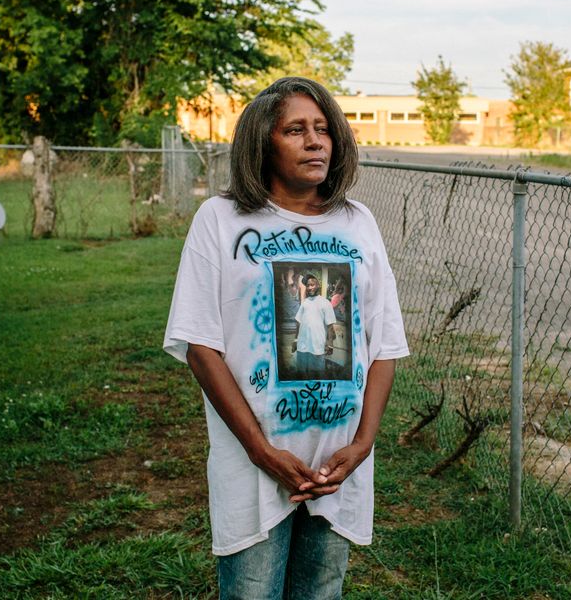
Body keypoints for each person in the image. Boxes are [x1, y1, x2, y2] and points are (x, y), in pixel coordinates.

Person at [164, 76, 408, 600]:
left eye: (323, 129)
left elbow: (384, 342)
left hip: (336, 463)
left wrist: (362, 444)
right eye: (295, 129)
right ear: (262, 142)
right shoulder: (222, 220)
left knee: (321, 589)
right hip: (254, 463)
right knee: (252, 591)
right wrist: (259, 450)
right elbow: (199, 344)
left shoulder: (358, 222)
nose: (315, 140)